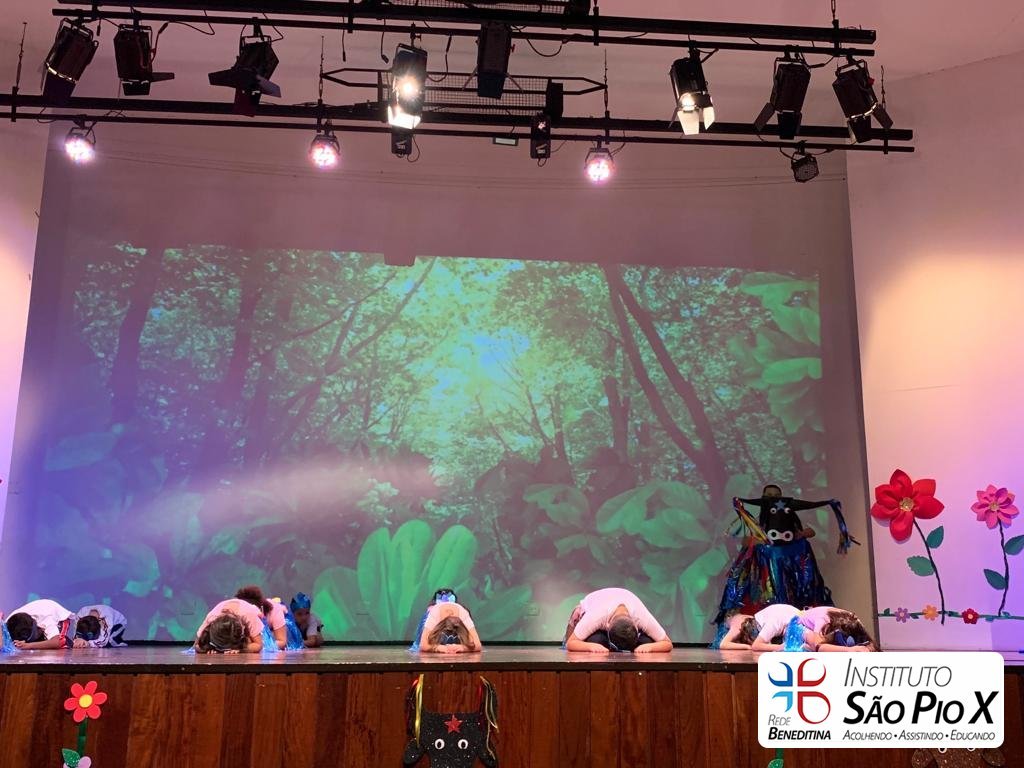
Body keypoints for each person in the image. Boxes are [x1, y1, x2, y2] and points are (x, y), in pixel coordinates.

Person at [711, 484, 858, 634]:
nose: (773, 499)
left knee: (793, 600)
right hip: (764, 572)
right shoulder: (757, 520)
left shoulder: (790, 516)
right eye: (769, 495)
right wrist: (759, 541)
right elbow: (745, 541)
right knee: (763, 600)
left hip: (789, 572)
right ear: (763, 497)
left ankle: (795, 631)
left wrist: (800, 534)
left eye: (776, 495)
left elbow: (810, 531)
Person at [716, 603, 876, 652]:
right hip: (796, 623)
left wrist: (869, 646)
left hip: (797, 618)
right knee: (816, 642)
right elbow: (819, 645)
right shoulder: (775, 623)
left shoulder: (845, 617)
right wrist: (782, 647)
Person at [564, 587, 672, 653]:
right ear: (607, 625)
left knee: (646, 642)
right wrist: (590, 647)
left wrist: (650, 647)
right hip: (595, 608)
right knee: (596, 641)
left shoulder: (641, 615)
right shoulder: (596, 616)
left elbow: (667, 643)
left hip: (619, 609)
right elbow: (571, 643)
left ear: (636, 625)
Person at [413, 588, 482, 654]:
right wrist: (439, 648)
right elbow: (423, 645)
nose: (449, 614)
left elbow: (477, 645)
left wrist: (462, 648)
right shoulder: (433, 612)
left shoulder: (463, 613)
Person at [193, 598, 265, 654]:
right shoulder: (211, 618)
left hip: (252, 613)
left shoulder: (248, 615)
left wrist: (241, 650)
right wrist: (209, 649)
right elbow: (197, 646)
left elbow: (258, 645)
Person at [4, 598, 77, 650]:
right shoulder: (10, 621)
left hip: (58, 616)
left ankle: (70, 643)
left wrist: (28, 645)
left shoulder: (47, 619)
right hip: (39, 614)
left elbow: (57, 642)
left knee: (60, 644)